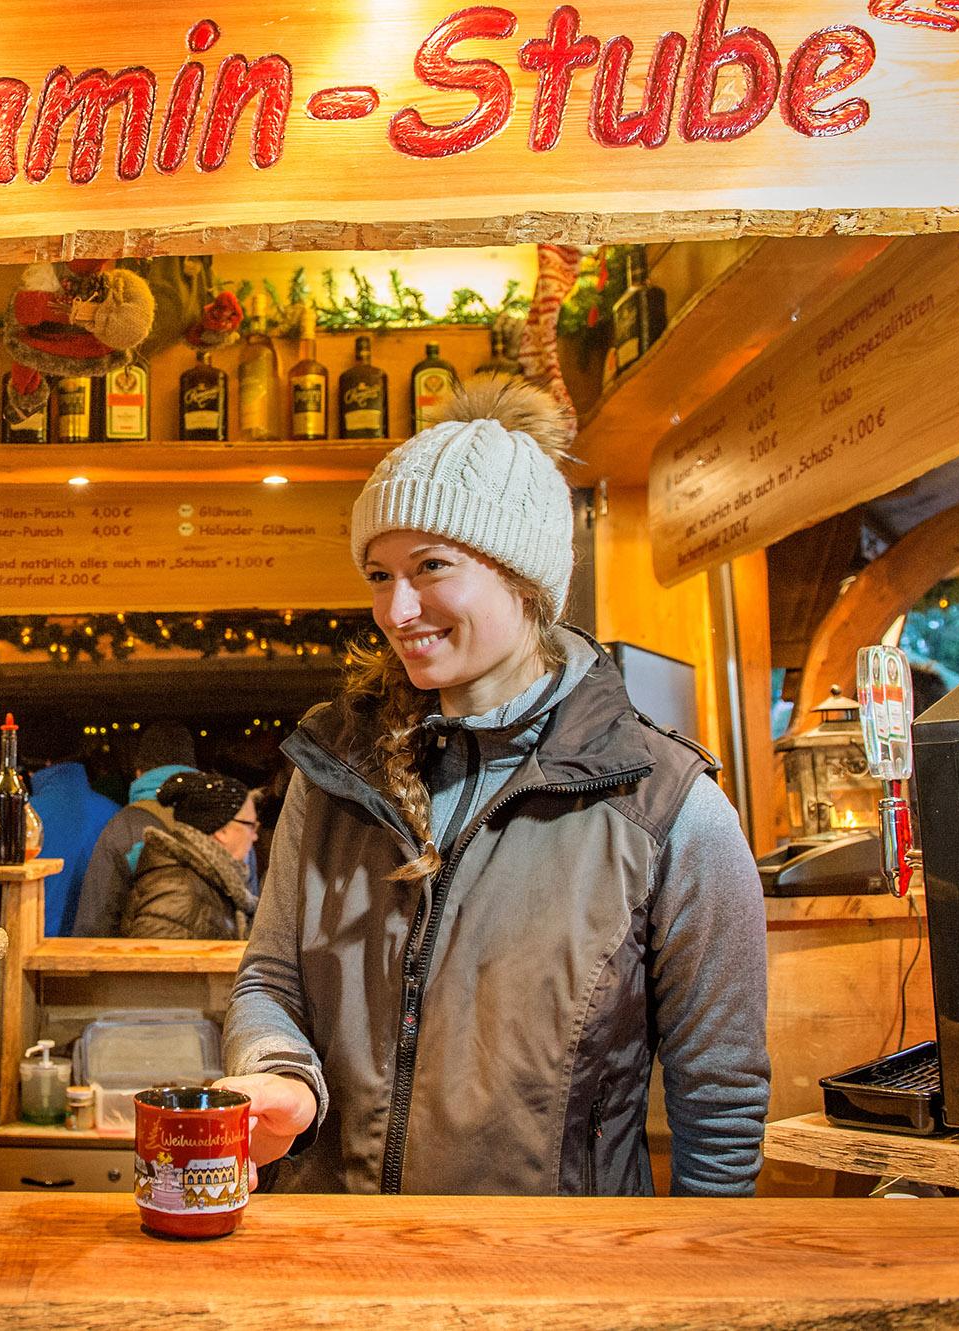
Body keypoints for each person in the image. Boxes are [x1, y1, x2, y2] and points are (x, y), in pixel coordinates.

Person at [218, 376, 769, 1198]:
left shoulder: (667, 806)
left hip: (562, 1283)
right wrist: (279, 1073)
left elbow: (718, 1097)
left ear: (525, 579)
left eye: (431, 566)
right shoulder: (334, 771)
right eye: (378, 573)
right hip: (341, 1259)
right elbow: (272, 977)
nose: (397, 608)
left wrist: (693, 1285)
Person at [70, 721, 196, 935]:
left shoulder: (122, 827)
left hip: (143, 958)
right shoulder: (232, 824)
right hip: (214, 961)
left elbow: (94, 923)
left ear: (139, 773)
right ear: (193, 769)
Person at [120, 772, 259, 939]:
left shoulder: (209, 880)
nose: (255, 836)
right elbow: (152, 962)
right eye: (251, 825)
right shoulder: (178, 891)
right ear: (222, 830)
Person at [23, 714, 122, 936]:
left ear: (40, 765)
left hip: (28, 947)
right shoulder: (115, 815)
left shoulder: (23, 817)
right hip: (95, 952)